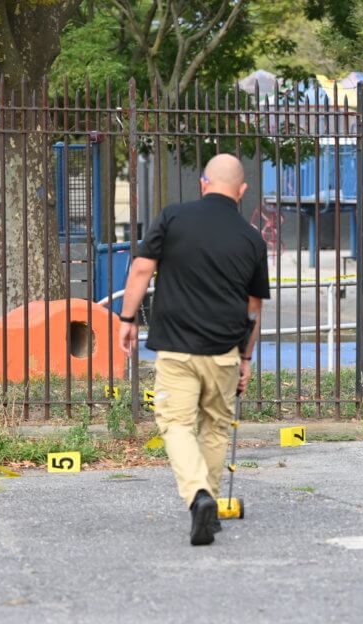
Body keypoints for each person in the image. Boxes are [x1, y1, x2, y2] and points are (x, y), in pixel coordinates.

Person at [118, 154, 269, 546]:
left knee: (176, 423)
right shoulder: (252, 238)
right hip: (224, 351)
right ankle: (212, 504)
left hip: (176, 346)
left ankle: (197, 495)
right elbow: (254, 308)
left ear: (204, 182)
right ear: (242, 191)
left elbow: (140, 269)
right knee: (216, 426)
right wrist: (246, 358)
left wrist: (127, 319)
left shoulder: (172, 218)